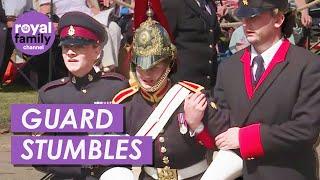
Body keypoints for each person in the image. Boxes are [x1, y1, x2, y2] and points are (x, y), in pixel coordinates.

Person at [112, 1, 228, 179]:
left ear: (170, 64)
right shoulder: (125, 104)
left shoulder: (194, 97)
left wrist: (198, 126)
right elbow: (117, 160)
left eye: (155, 67)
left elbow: (224, 144)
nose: (147, 74)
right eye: (141, 67)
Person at [211, 0, 320, 179]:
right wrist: (199, 123)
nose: (246, 24)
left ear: (278, 19)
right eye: (243, 17)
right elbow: (224, 121)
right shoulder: (229, 66)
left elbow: (306, 129)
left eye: (254, 17)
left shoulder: (307, 65)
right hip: (239, 172)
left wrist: (246, 138)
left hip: (286, 172)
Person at [36, 11, 128, 179]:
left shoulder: (116, 87)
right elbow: (39, 158)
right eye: (66, 46)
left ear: (97, 51)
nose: (70, 52)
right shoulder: (50, 95)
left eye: (78, 46)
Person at [159, 0, 221, 89]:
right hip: (183, 85)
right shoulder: (173, 4)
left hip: (210, 84)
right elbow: (163, 45)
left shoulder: (209, 4)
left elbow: (212, 37)